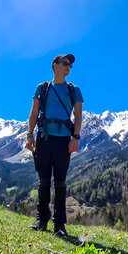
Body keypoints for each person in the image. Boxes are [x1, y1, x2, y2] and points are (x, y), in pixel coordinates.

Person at [25, 54, 83, 237]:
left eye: (71, 65)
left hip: (64, 141)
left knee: (60, 183)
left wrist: (76, 138)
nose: (69, 67)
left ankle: (60, 225)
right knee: (43, 182)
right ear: (54, 65)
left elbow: (79, 116)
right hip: (44, 139)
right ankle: (41, 220)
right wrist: (29, 136)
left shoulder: (75, 90)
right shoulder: (42, 88)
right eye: (65, 63)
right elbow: (34, 113)